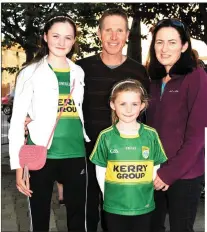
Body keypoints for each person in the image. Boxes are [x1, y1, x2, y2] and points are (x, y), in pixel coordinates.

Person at [8, 14, 90, 232]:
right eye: (55, 35)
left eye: (68, 37)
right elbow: (17, 121)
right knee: (39, 215)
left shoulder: (78, 71)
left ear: (74, 41)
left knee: (77, 216)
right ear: (45, 37)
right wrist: (18, 166)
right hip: (40, 155)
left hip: (75, 153)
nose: (61, 42)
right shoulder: (30, 72)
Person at [76, 8, 150, 231]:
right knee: (86, 213)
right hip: (87, 154)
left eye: (120, 30)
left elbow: (145, 117)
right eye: (108, 30)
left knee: (117, 217)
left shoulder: (139, 72)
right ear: (99, 34)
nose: (114, 36)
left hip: (126, 157)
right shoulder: (81, 68)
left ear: (127, 35)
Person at [146, 18, 207, 232]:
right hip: (153, 170)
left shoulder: (196, 77)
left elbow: (198, 136)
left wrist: (169, 173)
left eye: (172, 42)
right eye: (159, 42)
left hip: (185, 174)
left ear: (184, 45)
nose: (164, 48)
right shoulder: (153, 79)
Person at [89, 79, 167, 232]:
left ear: (142, 106)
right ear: (113, 105)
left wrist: (148, 191)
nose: (129, 109)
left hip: (143, 205)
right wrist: (106, 195)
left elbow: (155, 165)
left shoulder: (151, 135)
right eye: (123, 104)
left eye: (135, 104)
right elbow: (100, 169)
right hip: (114, 206)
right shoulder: (105, 136)